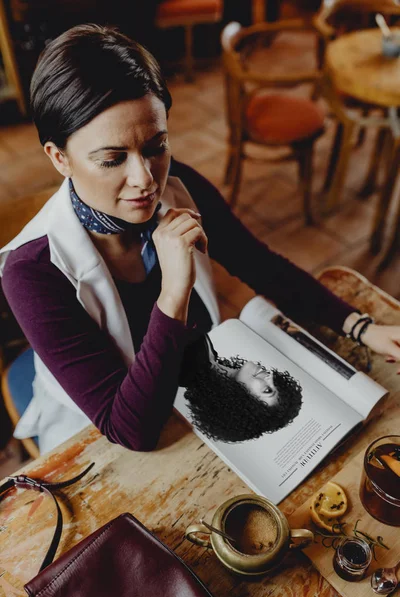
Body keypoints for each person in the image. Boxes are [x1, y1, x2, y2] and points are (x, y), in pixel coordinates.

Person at [1, 24, 399, 455]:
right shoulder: (30, 272)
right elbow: (129, 429)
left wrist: (362, 327)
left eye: (156, 146)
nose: (145, 180)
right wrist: (174, 293)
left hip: (198, 384)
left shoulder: (181, 184)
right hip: (106, 429)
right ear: (59, 158)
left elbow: (261, 265)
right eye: (113, 159)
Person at [180, 334, 303, 443]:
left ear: (241, 403)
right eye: (275, 382)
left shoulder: (187, 363)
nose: (270, 376)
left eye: (267, 390)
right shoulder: (205, 359)